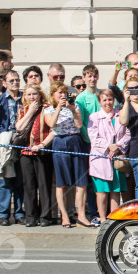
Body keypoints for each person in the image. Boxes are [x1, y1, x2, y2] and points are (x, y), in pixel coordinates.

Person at [44, 81, 91, 228]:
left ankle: (81, 215)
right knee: (61, 182)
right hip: (60, 142)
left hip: (75, 141)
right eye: (60, 93)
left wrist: (71, 109)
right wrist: (58, 107)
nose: (63, 95)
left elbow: (78, 125)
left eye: (65, 92)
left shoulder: (74, 105)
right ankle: (64, 215)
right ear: (53, 95)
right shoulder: (48, 109)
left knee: (81, 182)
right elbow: (51, 124)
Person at [88, 89, 131, 223]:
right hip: (100, 159)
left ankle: (114, 219)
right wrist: (108, 146)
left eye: (110, 99)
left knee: (115, 190)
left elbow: (128, 133)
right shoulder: (94, 117)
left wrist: (117, 146)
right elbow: (94, 138)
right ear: (100, 102)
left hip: (117, 158)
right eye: (104, 100)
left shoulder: (120, 114)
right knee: (101, 191)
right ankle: (102, 219)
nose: (108, 103)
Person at [16, 83, 55, 227]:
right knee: (29, 185)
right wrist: (30, 112)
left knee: (44, 185)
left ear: (40, 95)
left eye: (34, 94)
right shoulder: (23, 110)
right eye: (29, 94)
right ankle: (31, 216)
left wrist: (43, 144)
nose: (32, 97)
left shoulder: (47, 108)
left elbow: (53, 129)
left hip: (42, 151)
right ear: (24, 96)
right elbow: (19, 127)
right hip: (26, 152)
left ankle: (45, 216)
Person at [0, 70, 25, 225]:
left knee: (19, 179)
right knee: (5, 179)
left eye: (17, 80)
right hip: (5, 140)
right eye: (11, 81)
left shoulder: (25, 98)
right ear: (5, 83)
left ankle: (19, 213)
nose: (15, 83)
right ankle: (3, 214)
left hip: (21, 141)